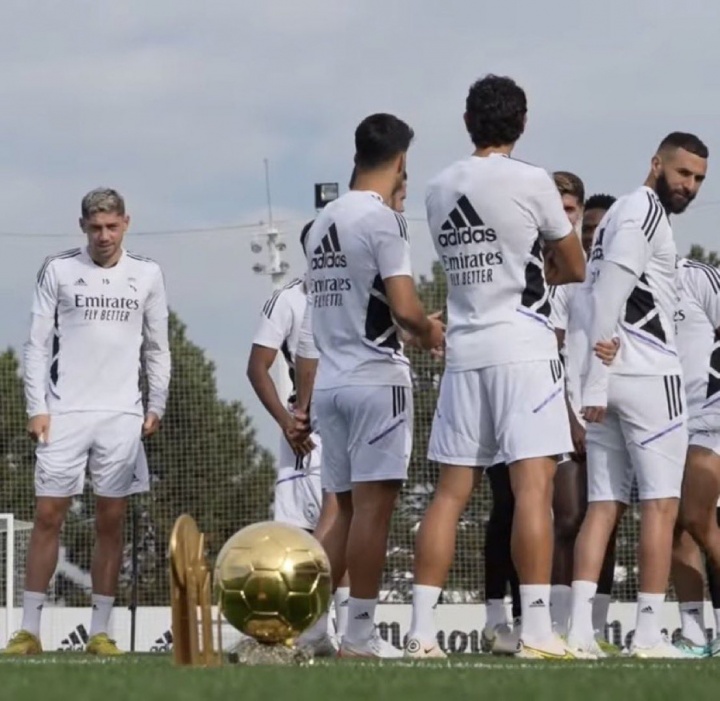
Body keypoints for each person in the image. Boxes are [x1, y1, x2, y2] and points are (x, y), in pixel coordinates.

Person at [405, 74, 586, 660]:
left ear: (467, 122)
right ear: (523, 123)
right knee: (533, 489)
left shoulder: (437, 187)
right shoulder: (533, 180)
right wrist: (544, 269)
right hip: (524, 348)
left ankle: (420, 633)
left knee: (449, 495)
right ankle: (536, 630)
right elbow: (574, 265)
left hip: (465, 350)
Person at [291, 113, 444, 659]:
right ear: (401, 161)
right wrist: (429, 331)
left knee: (341, 510)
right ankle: (359, 634)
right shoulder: (384, 221)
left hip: (331, 383)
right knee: (373, 513)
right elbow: (403, 307)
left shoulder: (320, 223)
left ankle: (312, 630)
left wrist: (411, 327)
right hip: (377, 380)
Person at [4, 188, 170, 656]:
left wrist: (156, 403)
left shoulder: (148, 274)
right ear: (82, 227)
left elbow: (157, 347)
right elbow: (36, 344)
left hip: (121, 415)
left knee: (110, 521)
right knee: (47, 516)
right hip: (65, 412)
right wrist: (36, 406)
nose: (104, 236)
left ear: (126, 223)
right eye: (95, 227)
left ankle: (101, 631)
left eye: (112, 226)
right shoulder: (58, 269)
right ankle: (29, 630)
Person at [567, 132, 709, 659]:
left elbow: (592, 294)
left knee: (603, 505)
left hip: (612, 374)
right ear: (656, 164)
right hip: (648, 374)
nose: (689, 186)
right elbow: (608, 293)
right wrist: (594, 379)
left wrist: (592, 377)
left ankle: (580, 632)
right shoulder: (644, 211)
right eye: (683, 173)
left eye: (698, 179)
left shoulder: (616, 219)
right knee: (661, 506)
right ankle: (648, 635)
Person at [548, 187, 620, 648]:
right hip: (572, 417)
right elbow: (550, 350)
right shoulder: (568, 280)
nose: (593, 235)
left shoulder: (630, 280)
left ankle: (594, 627)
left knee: (605, 521)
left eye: (601, 228)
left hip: (617, 419)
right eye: (588, 228)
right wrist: (569, 418)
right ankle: (557, 625)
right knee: (568, 519)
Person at [670, 256, 720, 657]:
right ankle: (693, 632)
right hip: (660, 420)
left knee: (698, 517)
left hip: (709, 415)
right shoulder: (624, 282)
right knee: (670, 522)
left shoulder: (697, 276)